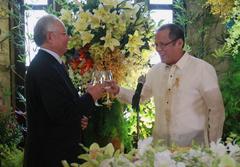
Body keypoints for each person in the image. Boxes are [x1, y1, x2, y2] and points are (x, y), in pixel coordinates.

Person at [108, 23, 225, 147]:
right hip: (161, 152)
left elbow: (217, 110)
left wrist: (214, 147)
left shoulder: (202, 69)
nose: (158, 49)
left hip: (193, 151)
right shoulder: (155, 71)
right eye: (156, 45)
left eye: (163, 44)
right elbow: (141, 97)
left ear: (179, 43)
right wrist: (118, 91)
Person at [24, 15, 105, 167]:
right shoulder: (44, 67)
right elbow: (61, 113)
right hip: (50, 156)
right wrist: (91, 96)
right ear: (50, 36)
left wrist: (77, 120)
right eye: (64, 33)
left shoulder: (51, 63)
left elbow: (62, 107)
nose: (68, 38)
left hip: (57, 151)